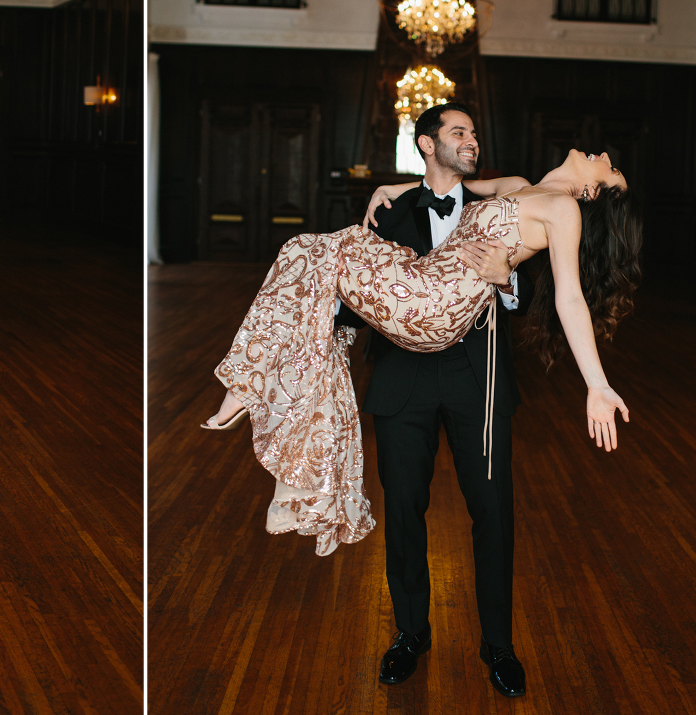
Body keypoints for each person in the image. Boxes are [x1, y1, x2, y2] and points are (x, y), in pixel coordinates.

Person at [208, 106, 641, 699]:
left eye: (608, 171)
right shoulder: (517, 188)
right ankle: (409, 634)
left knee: (493, 514)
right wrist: (397, 184)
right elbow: (466, 187)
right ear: (429, 143)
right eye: (459, 133)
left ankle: (499, 645)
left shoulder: (563, 209)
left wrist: (594, 379)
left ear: (591, 190)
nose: (604, 157)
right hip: (410, 336)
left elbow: (568, 298)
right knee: (308, 253)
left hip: (453, 340)